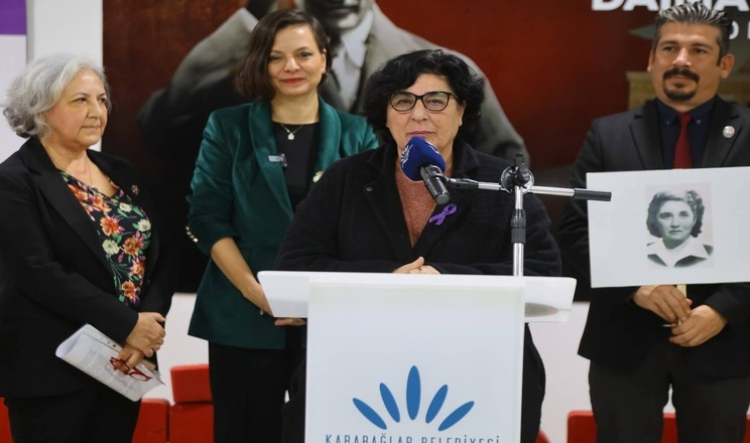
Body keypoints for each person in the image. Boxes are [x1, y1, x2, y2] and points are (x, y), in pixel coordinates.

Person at [136, 0, 528, 292]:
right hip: (255, 302)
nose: (292, 66)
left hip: (378, 299)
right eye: (404, 102)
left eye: (305, 55)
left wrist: (445, 263)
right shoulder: (229, 81)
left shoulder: (450, 72)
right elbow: (160, 130)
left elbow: (507, 173)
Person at [275, 49, 560, 443]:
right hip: (357, 372)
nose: (419, 115)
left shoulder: (502, 184)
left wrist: (443, 278)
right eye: (403, 101)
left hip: (480, 373)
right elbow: (296, 264)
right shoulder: (346, 179)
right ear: (386, 114)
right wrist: (390, 278)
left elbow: (542, 270)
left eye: (436, 101)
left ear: (462, 111)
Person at [558, 4, 750, 442]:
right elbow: (574, 230)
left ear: (724, 65)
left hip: (723, 341)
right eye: (669, 48)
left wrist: (725, 308)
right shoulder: (607, 134)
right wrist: (636, 288)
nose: (681, 60)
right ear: (651, 59)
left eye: (698, 50)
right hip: (623, 340)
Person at [185, 9, 378, 442]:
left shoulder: (360, 134)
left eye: (304, 54)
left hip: (330, 320)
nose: (291, 66)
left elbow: (366, 229)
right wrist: (262, 295)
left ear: (324, 58)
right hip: (243, 316)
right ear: (261, 63)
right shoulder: (228, 127)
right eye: (276, 57)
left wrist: (314, 301)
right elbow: (206, 216)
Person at [0, 54, 176, 442]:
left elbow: (160, 256)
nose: (96, 111)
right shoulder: (14, 180)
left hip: (124, 360)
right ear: (41, 109)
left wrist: (147, 325)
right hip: (50, 369)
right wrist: (128, 324)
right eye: (80, 100)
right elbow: (38, 273)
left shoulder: (122, 172)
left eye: (101, 100)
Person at [646, 189, 712, 268]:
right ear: (655, 220)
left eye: (683, 215)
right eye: (666, 216)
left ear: (694, 219)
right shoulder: (642, 251)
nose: (675, 224)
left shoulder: (711, 254)